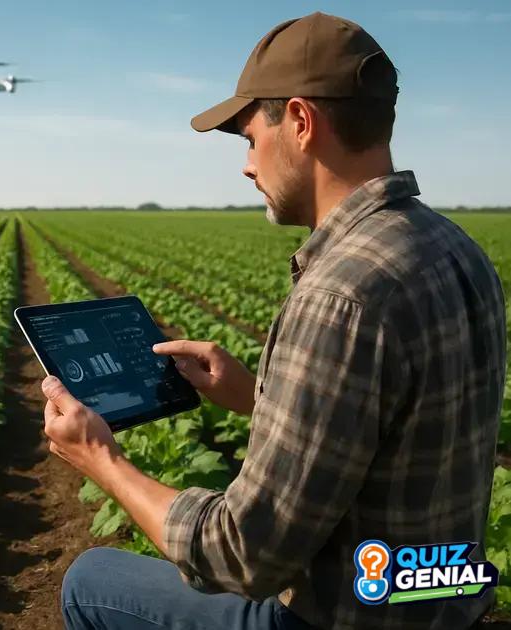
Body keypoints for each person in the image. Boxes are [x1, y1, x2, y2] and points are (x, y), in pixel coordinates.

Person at [41, 11, 507, 630]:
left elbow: (242, 555)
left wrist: (104, 461)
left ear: (301, 122)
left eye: (248, 138)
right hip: (434, 602)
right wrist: (256, 397)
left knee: (90, 582)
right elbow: (391, 435)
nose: (246, 165)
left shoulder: (341, 293)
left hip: (342, 616)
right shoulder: (455, 248)